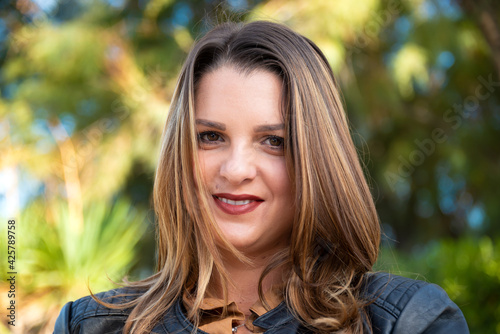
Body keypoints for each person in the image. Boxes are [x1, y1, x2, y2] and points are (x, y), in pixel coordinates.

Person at [53, 20, 469, 334]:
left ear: (317, 158)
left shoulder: (409, 322)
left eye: (273, 141)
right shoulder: (87, 325)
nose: (235, 170)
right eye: (210, 137)